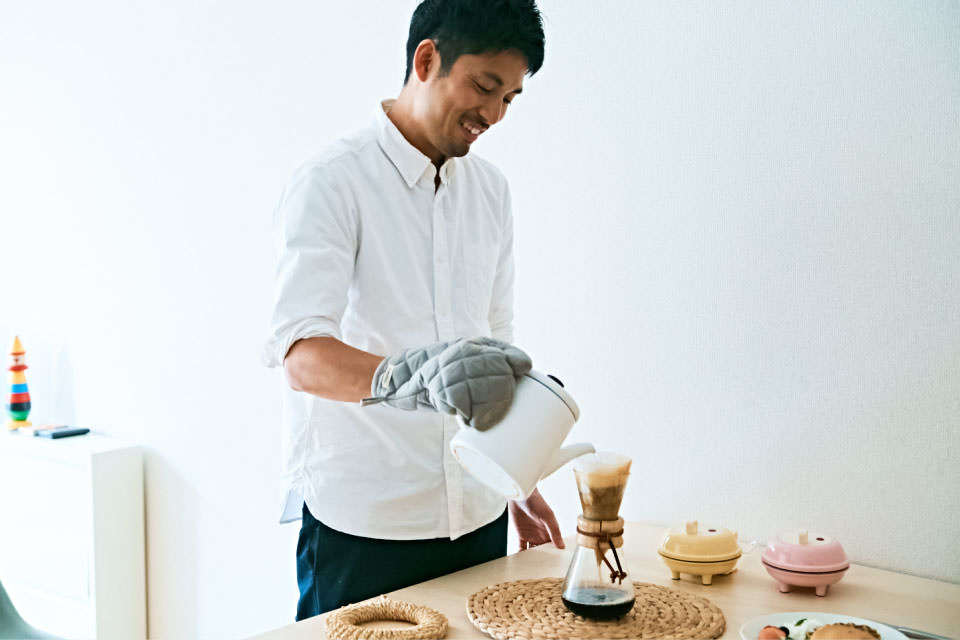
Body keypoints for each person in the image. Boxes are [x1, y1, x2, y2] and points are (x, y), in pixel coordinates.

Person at [261, 0, 563, 620]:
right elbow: (302, 356)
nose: (495, 115)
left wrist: (519, 478)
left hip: (477, 516)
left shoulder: (491, 191)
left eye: (510, 98)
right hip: (365, 525)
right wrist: (415, 377)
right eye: (485, 87)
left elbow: (497, 347)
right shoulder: (332, 181)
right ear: (427, 60)